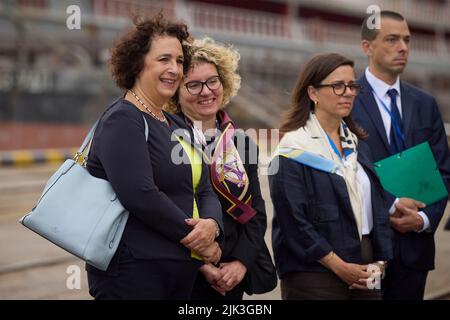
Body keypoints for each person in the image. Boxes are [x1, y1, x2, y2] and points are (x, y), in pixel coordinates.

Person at [85, 14, 224, 300]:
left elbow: (205, 186)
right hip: (133, 272)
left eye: (179, 61)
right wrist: (199, 242)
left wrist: (213, 224)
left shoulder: (177, 124)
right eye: (164, 60)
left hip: (178, 272)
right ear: (137, 63)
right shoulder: (123, 118)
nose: (174, 69)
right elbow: (141, 195)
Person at [269, 53, 393, 300]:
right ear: (313, 93)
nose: (348, 92)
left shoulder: (358, 145)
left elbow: (377, 208)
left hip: (366, 268)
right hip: (314, 272)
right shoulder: (293, 148)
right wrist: (338, 266)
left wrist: (381, 262)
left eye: (352, 85)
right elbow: (294, 221)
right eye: (338, 86)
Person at [166, 37, 277, 300]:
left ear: (223, 82)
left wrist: (240, 263)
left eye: (212, 81)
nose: (206, 91)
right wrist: (202, 265)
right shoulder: (163, 137)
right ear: (176, 91)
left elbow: (256, 212)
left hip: (231, 275)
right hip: (184, 272)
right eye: (193, 84)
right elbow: (157, 210)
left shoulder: (242, 142)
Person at [352, 10, 450, 300]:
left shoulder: (425, 104)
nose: (403, 47)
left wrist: (423, 220)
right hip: (364, 249)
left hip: (414, 249)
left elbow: (443, 170)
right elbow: (341, 171)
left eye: (407, 40)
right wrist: (390, 205)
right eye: (392, 39)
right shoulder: (347, 100)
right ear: (367, 47)